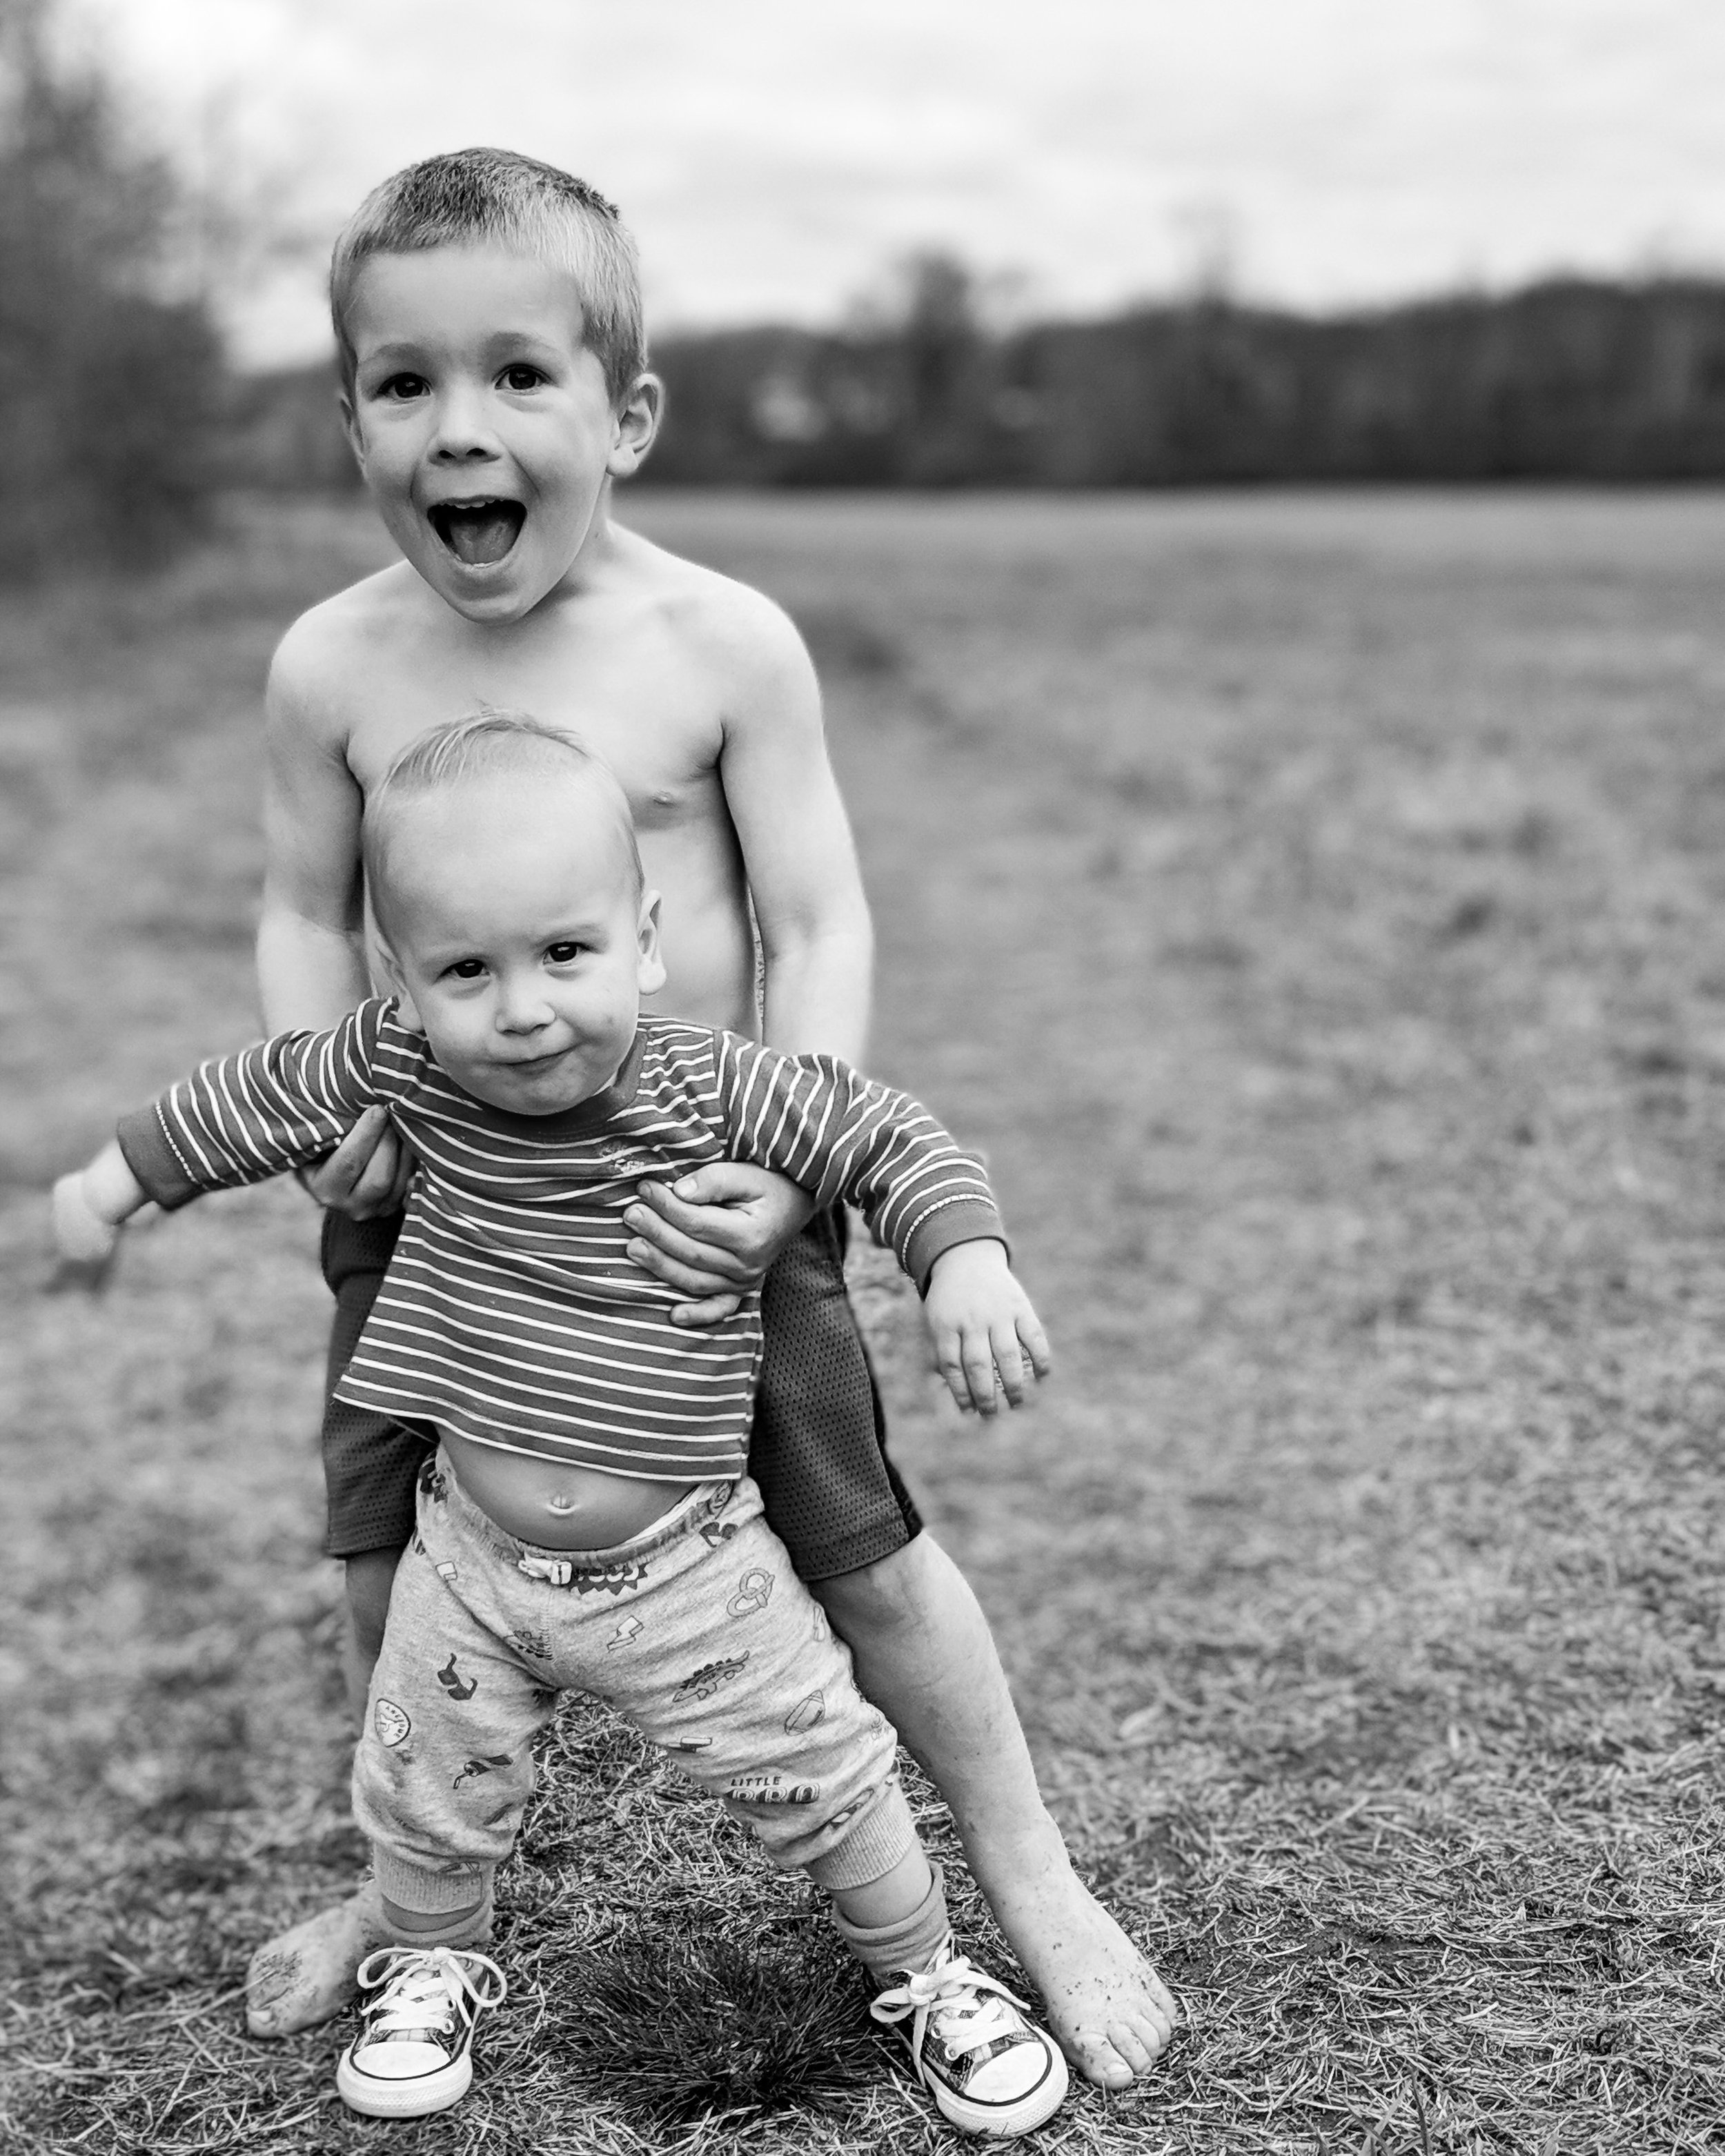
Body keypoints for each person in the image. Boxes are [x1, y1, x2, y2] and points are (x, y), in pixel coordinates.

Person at [249, 144, 1174, 2084]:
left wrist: (783, 1167)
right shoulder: (331, 664)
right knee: (379, 1548)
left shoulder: (721, 645)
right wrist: (333, 1098)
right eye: (405, 382)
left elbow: (819, 919)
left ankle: (1029, 1873)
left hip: (700, 1205)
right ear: (351, 417)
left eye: (518, 374)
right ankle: (395, 1878)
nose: (458, 426)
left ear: (627, 415)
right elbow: (301, 910)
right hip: (436, 1204)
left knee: (860, 1545)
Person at [54, 716, 1070, 2134]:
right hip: (468, 1562)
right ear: (402, 982)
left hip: (691, 1570)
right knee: (423, 1780)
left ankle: (925, 1973)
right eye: (467, 971)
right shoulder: (398, 1067)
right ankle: (429, 1963)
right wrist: (106, 1190)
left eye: (564, 953)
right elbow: (240, 1100)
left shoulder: (712, 1083)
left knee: (824, 1774)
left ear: (643, 942)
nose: (524, 1009)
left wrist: (965, 1258)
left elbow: (886, 1135)